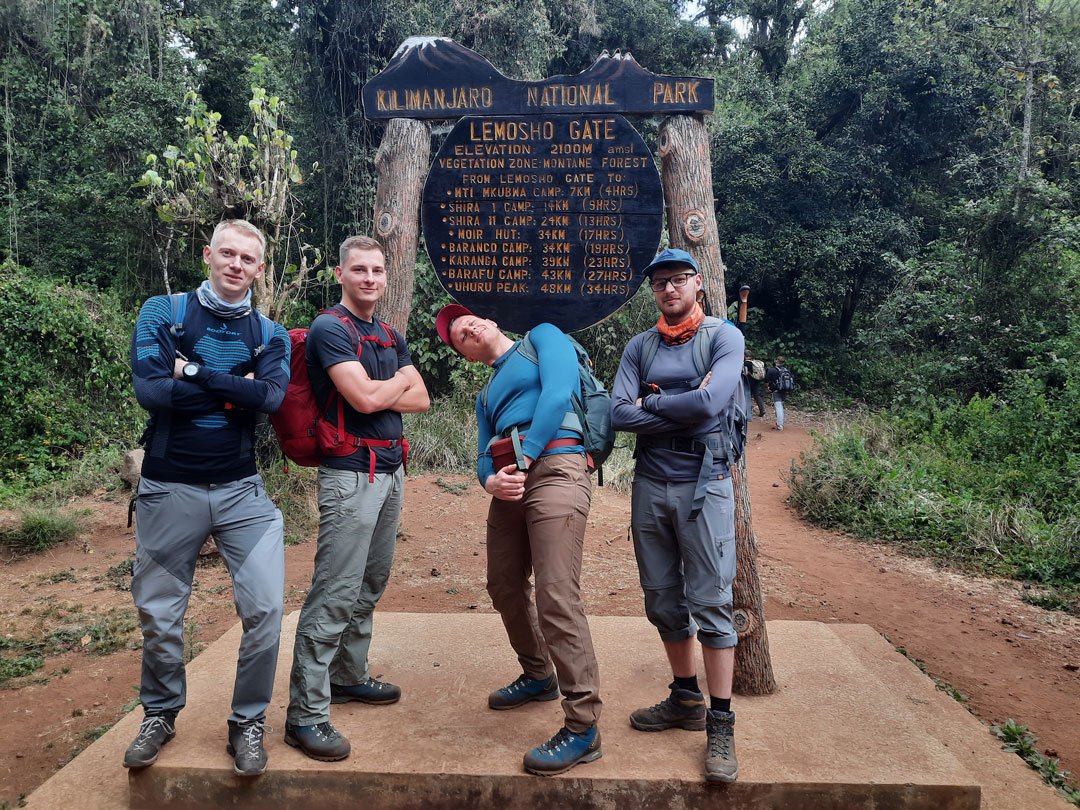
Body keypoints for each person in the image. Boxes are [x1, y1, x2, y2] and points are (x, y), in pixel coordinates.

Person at [126, 219, 290, 777]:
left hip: (242, 489)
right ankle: (160, 712)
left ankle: (247, 722)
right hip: (170, 485)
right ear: (208, 255)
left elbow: (267, 398)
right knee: (160, 614)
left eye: (248, 258)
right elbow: (151, 392)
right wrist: (231, 386)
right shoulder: (163, 312)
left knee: (266, 608)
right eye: (227, 253)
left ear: (259, 269)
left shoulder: (270, 334)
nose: (236, 265)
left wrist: (191, 371)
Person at [435, 304, 602, 776]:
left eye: (469, 320)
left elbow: (557, 395)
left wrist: (525, 457)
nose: (466, 327)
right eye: (458, 336)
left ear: (489, 321)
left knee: (556, 595)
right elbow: (483, 456)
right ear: (465, 355)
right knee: (503, 583)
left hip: (557, 467)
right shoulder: (485, 395)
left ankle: (583, 726)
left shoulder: (542, 337)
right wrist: (490, 482)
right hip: (511, 478)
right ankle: (537, 673)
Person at [285, 236, 430, 761]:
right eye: (360, 270)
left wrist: (382, 384)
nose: (370, 278)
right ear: (342, 274)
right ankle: (305, 713)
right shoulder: (330, 328)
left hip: (391, 471)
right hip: (349, 474)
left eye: (377, 270)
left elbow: (424, 398)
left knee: (370, 582)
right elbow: (368, 397)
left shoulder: (388, 333)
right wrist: (394, 383)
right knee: (335, 589)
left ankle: (347, 676)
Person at [610, 247, 745, 784]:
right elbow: (618, 413)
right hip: (650, 484)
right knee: (663, 598)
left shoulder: (723, 337)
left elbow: (712, 406)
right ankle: (684, 697)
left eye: (679, 280)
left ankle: (721, 722)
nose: (670, 289)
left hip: (705, 485)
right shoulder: (640, 346)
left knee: (711, 602)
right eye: (661, 282)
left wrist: (654, 403)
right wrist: (679, 403)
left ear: (697, 284)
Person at [765, 355, 792, 431]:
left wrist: (768, 388)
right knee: (781, 405)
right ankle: (779, 422)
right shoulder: (787, 370)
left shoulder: (771, 370)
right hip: (785, 390)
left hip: (775, 390)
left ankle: (780, 425)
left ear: (776, 361)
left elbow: (766, 380)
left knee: (778, 407)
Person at [742, 350, 766, 419]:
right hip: (757, 381)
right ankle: (762, 410)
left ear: (744, 356)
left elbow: (745, 373)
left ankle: (748, 413)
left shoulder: (746, 363)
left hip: (749, 381)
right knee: (756, 395)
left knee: (747, 395)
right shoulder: (755, 362)